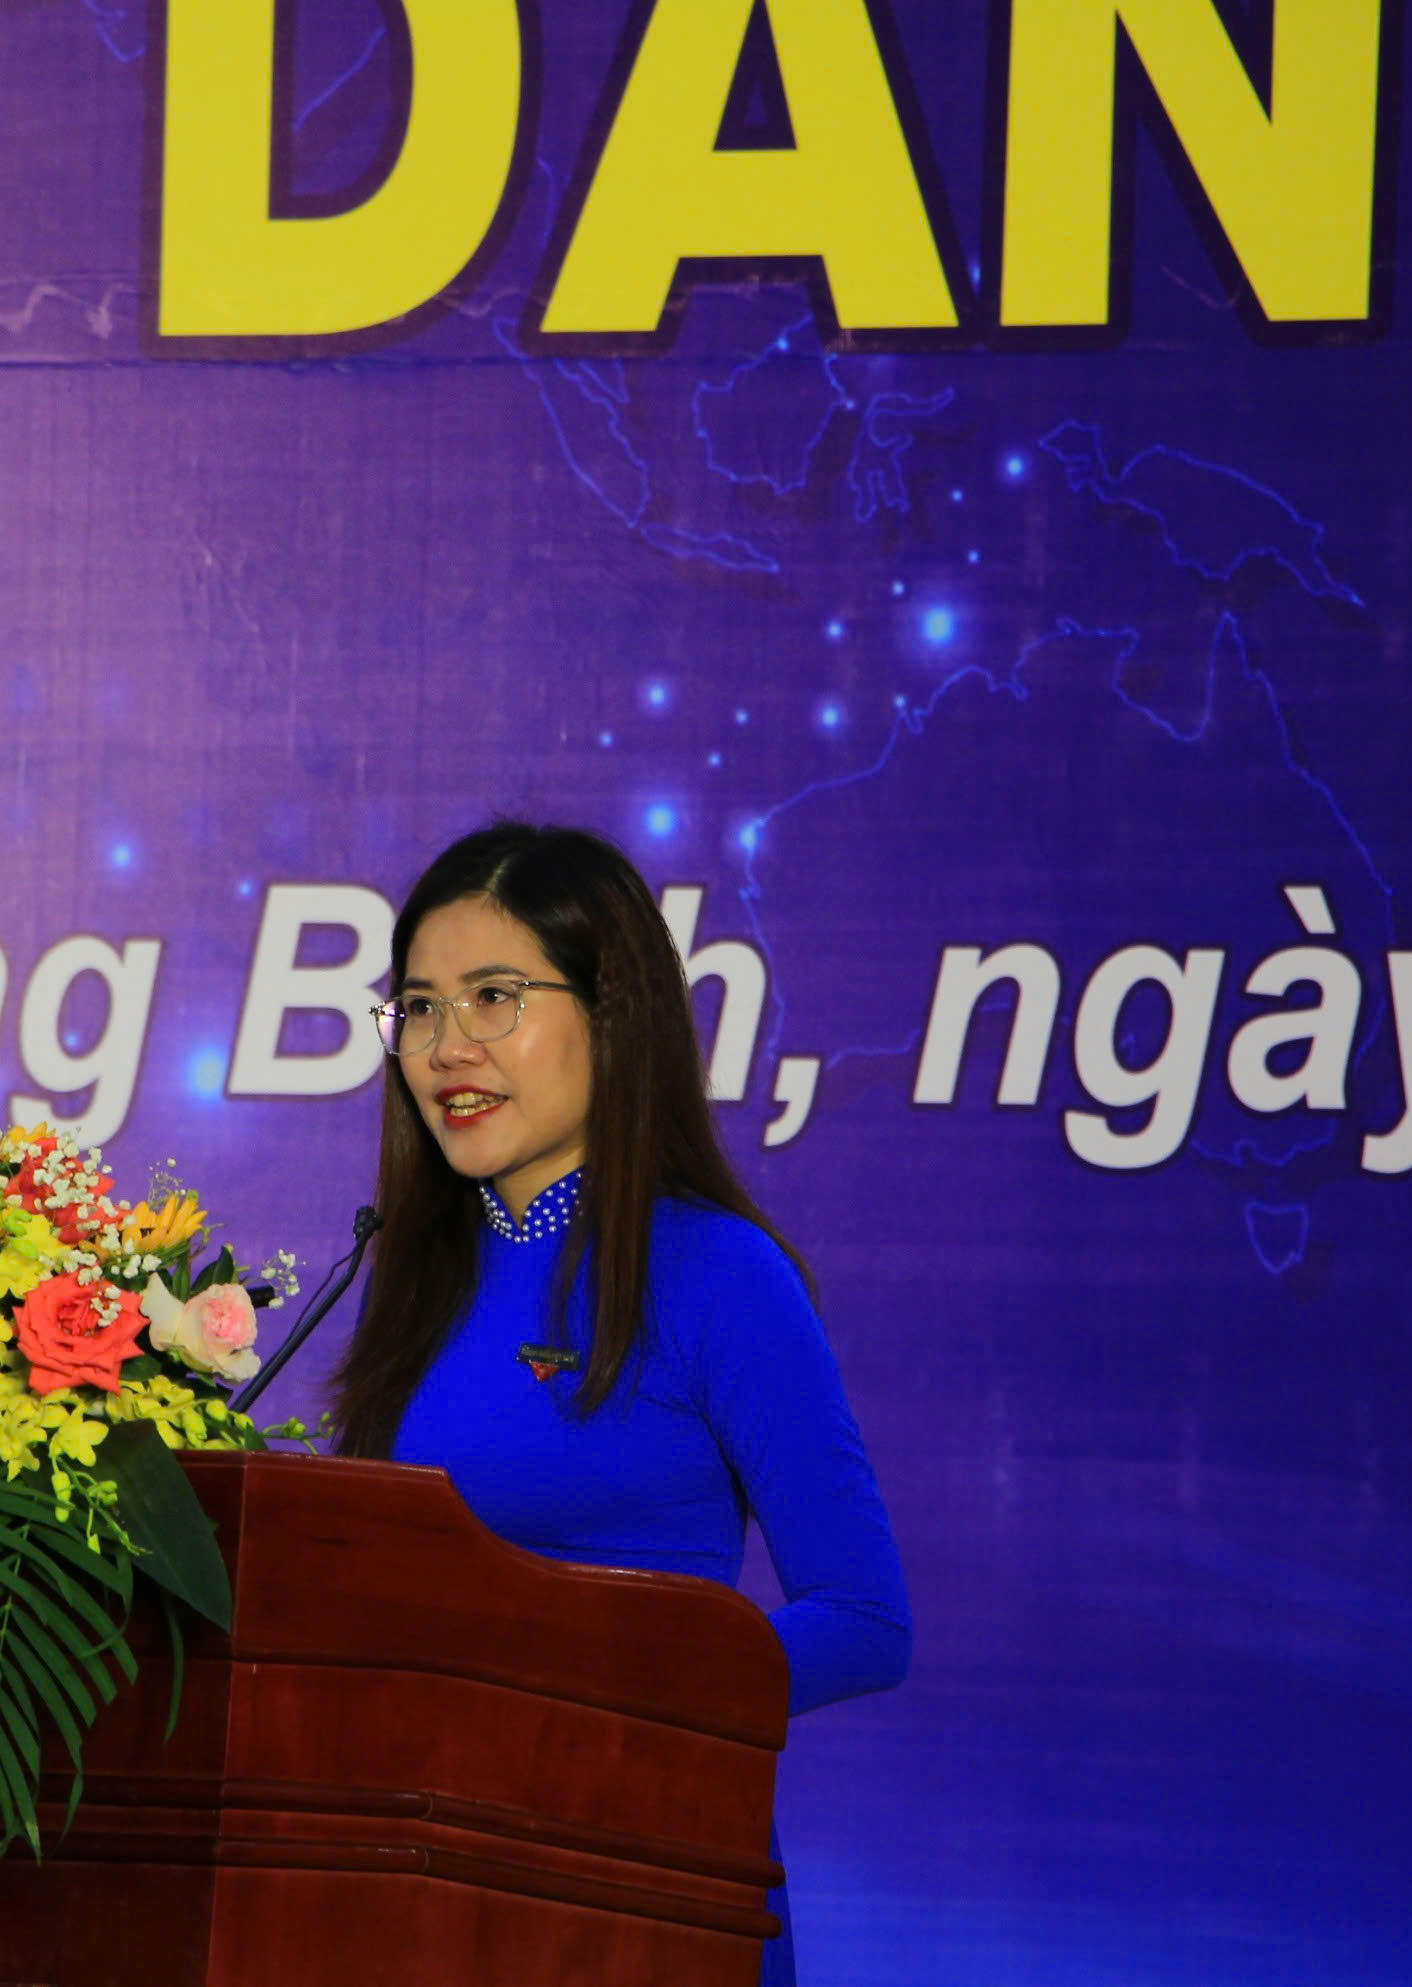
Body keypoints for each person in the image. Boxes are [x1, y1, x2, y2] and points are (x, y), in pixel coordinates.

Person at [332, 821, 909, 1987]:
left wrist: (599, 1704)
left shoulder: (718, 1273)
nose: (448, 1045)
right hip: (434, 1888)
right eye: (421, 1007)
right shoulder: (411, 1272)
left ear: (613, 1010)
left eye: (494, 997)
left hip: (641, 1877)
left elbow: (863, 1617)